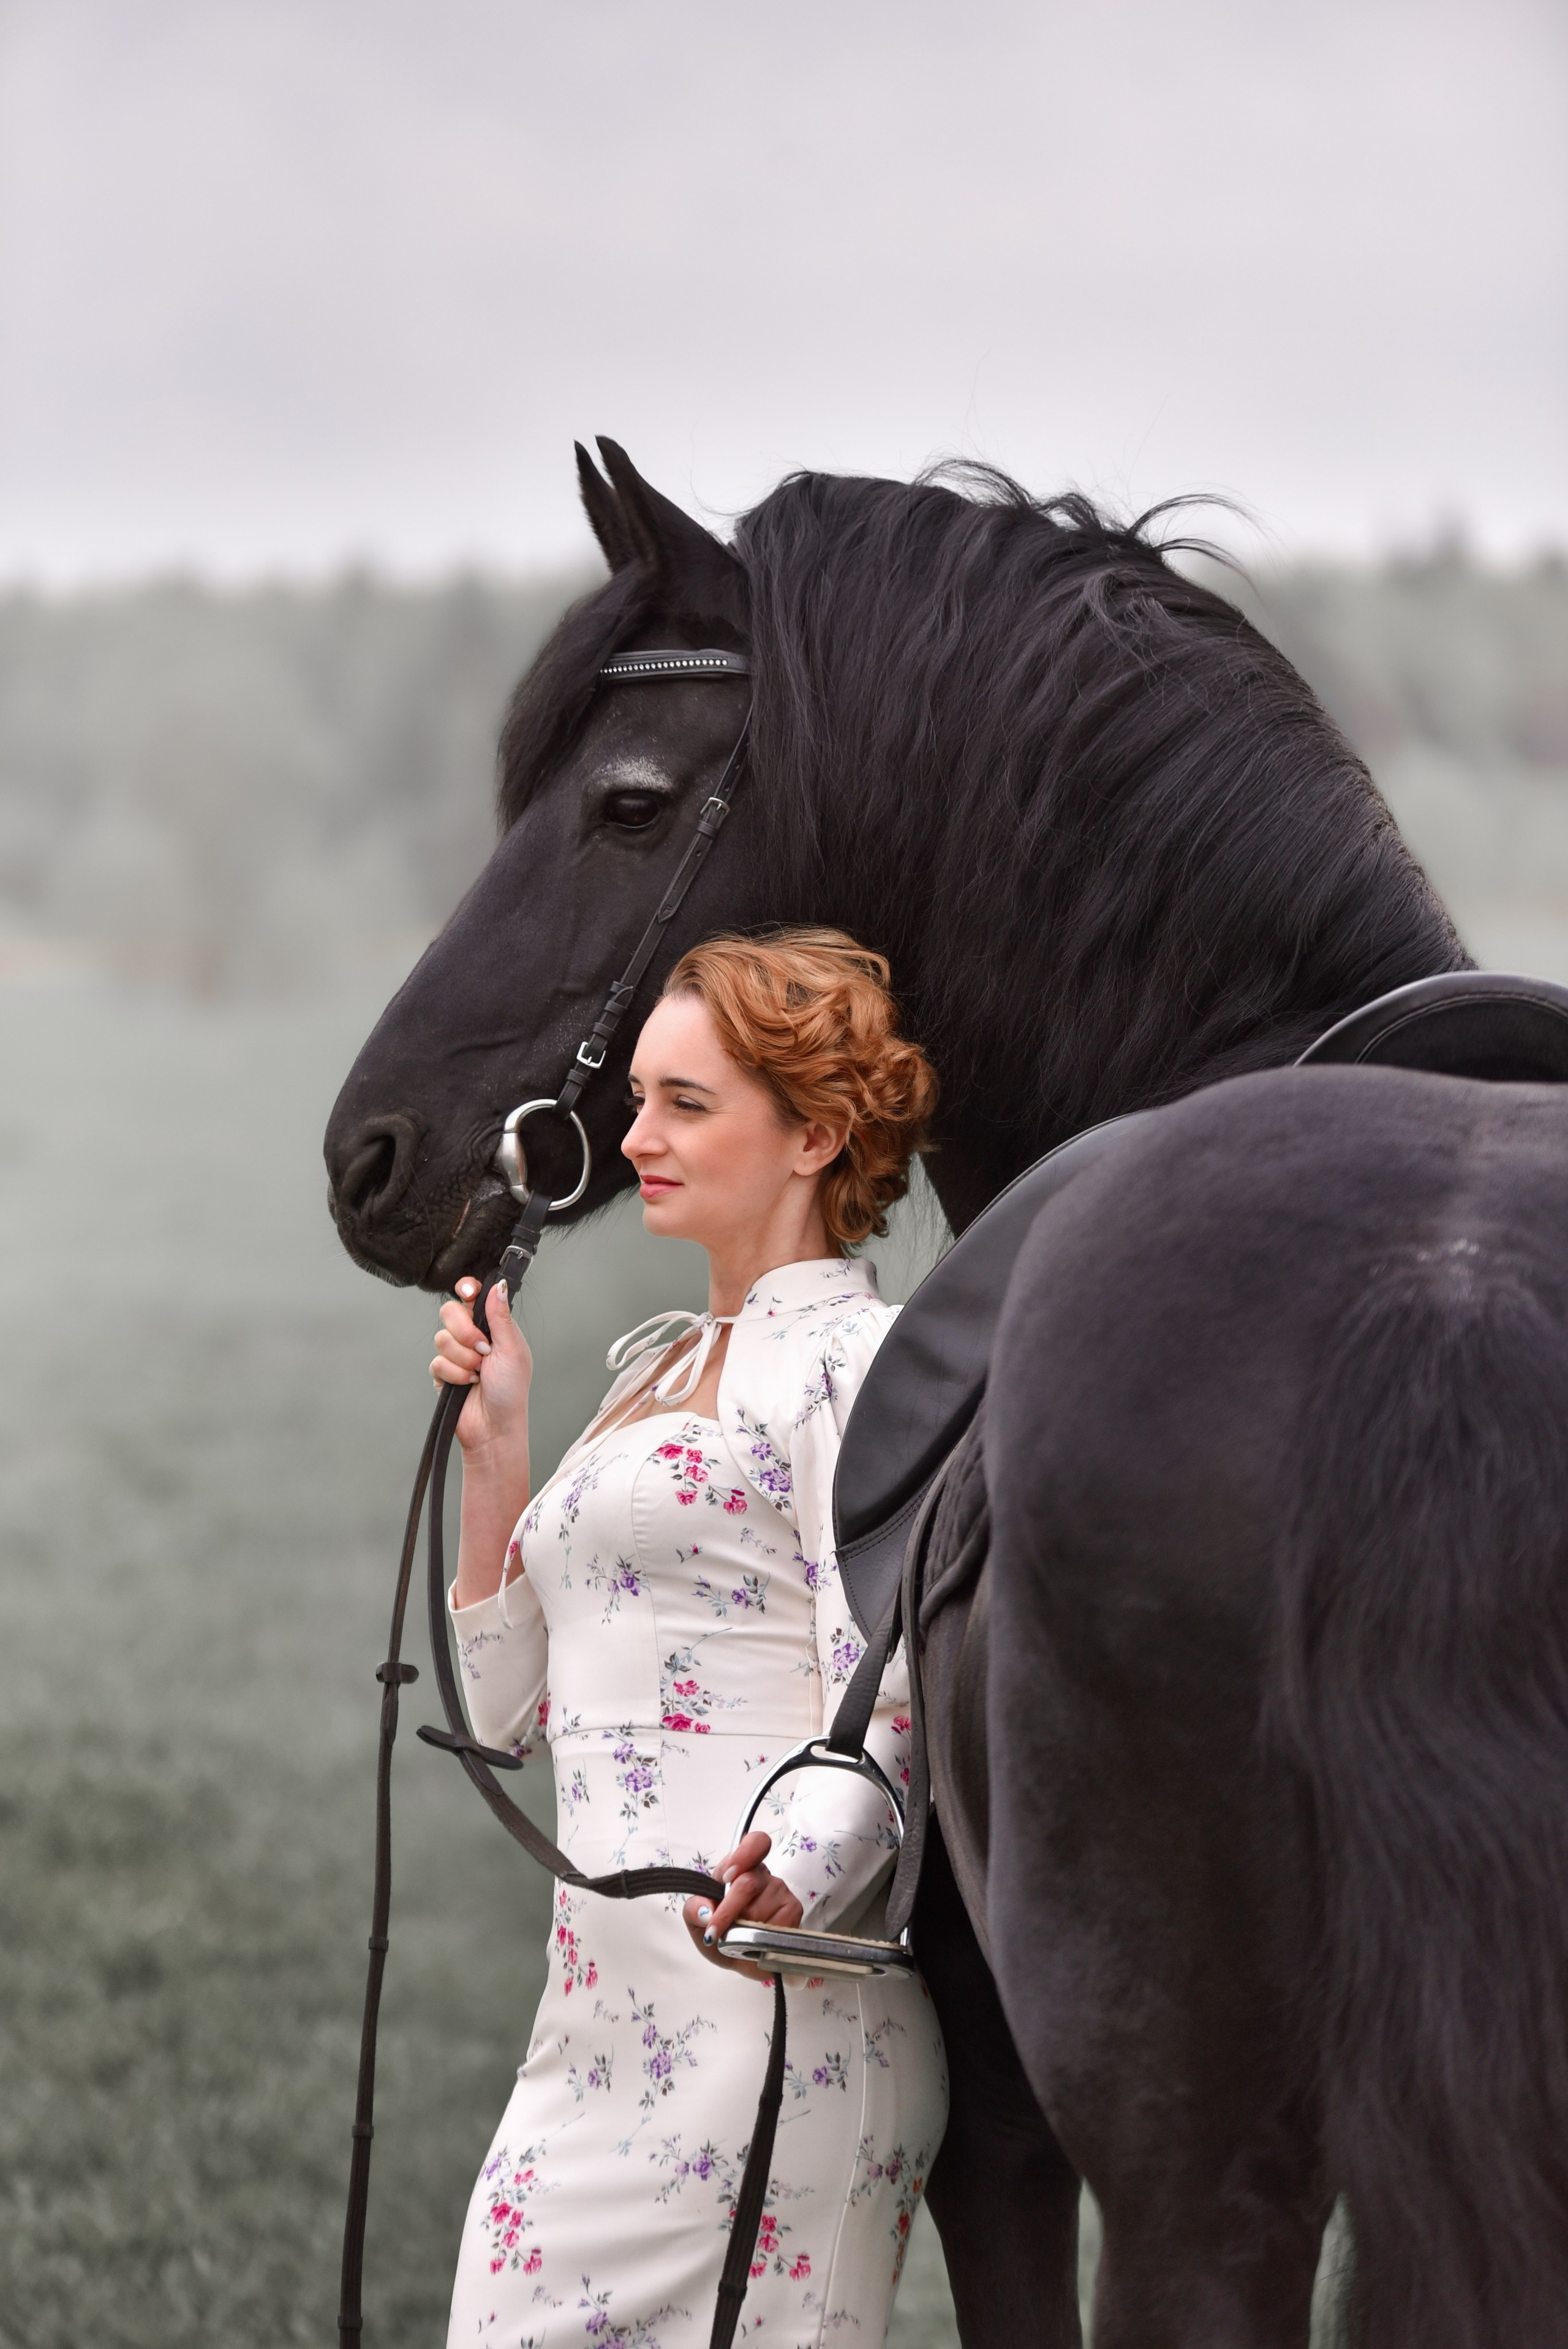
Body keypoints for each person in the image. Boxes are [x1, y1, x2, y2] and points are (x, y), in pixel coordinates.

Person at [434, 928, 949, 2349]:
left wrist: (799, 1866)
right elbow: (500, 1722)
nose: (634, 1136)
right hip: (591, 2023)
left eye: (685, 1105)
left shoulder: (865, 1365)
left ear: (815, 1135)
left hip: (764, 2006)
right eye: (638, 1097)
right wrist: (499, 1457)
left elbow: (895, 1679)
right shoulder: (650, 1369)